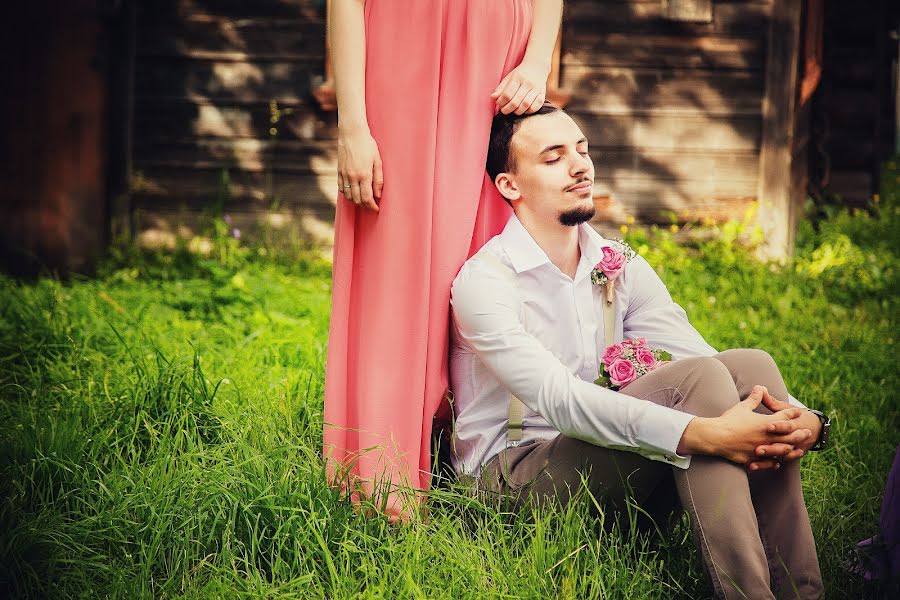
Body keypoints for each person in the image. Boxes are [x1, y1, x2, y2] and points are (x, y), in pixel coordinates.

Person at [449, 102, 828, 599]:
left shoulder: (615, 261)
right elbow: (563, 402)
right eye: (554, 156)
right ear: (509, 185)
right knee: (698, 387)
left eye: (582, 150)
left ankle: (803, 593)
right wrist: (701, 433)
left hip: (604, 464)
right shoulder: (485, 282)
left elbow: (703, 357)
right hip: (511, 483)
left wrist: (806, 419)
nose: (580, 165)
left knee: (749, 365)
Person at [322, 0, 564, 520]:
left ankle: (488, 468)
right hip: (397, 43)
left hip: (498, 60)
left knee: (488, 250)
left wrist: (538, 60)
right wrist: (352, 126)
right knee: (396, 254)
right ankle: (382, 476)